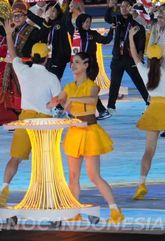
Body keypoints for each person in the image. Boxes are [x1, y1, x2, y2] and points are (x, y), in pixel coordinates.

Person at [47, 52, 124, 224]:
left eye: (77, 62)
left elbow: (91, 100)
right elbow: (59, 99)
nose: (73, 66)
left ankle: (115, 211)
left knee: (94, 176)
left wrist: (72, 98)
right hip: (74, 132)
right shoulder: (68, 86)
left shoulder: (92, 86)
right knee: (73, 176)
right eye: (72, 63)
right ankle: (74, 211)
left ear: (86, 65)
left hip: (89, 132)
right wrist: (54, 101)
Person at [0, 33, 61, 208]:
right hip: (45, 121)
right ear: (47, 58)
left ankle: (4, 192)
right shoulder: (52, 78)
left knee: (15, 158)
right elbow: (57, 101)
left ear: (31, 57)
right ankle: (46, 199)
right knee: (44, 161)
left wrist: (9, 34)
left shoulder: (23, 70)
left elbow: (13, 53)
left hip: (26, 118)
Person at [127, 26, 165, 200]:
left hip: (153, 110)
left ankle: (141, 185)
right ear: (162, 57)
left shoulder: (145, 72)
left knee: (148, 151)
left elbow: (134, 54)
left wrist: (131, 37)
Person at [0, 0, 41, 116]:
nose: (16, 18)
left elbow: (45, 31)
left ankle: (28, 113)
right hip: (11, 67)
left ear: (25, 16)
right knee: (12, 92)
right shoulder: (10, 28)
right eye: (14, 16)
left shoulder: (33, 31)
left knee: (25, 92)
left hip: (26, 67)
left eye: (20, 15)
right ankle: (16, 115)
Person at [105, 0, 149, 112]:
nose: (123, 8)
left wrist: (140, 54)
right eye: (121, 6)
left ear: (131, 7)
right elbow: (107, 18)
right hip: (117, 58)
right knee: (114, 83)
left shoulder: (136, 22)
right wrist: (110, 7)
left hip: (130, 58)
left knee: (138, 81)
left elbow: (141, 40)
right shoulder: (117, 19)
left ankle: (149, 102)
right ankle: (110, 106)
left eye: (126, 6)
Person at [147, 4, 165, 71]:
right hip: (158, 69)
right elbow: (150, 45)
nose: (159, 20)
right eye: (158, 17)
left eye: (162, 17)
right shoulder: (156, 27)